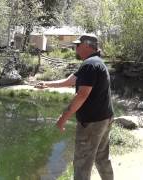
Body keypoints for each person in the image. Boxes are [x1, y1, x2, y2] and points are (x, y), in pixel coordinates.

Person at [35, 34, 114, 180]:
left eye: (78, 45)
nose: (75, 48)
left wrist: (63, 118)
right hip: (104, 118)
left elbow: (82, 95)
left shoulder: (90, 65)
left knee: (82, 163)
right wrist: (46, 85)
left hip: (91, 123)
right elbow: (71, 80)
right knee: (102, 157)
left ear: (87, 46)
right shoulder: (95, 63)